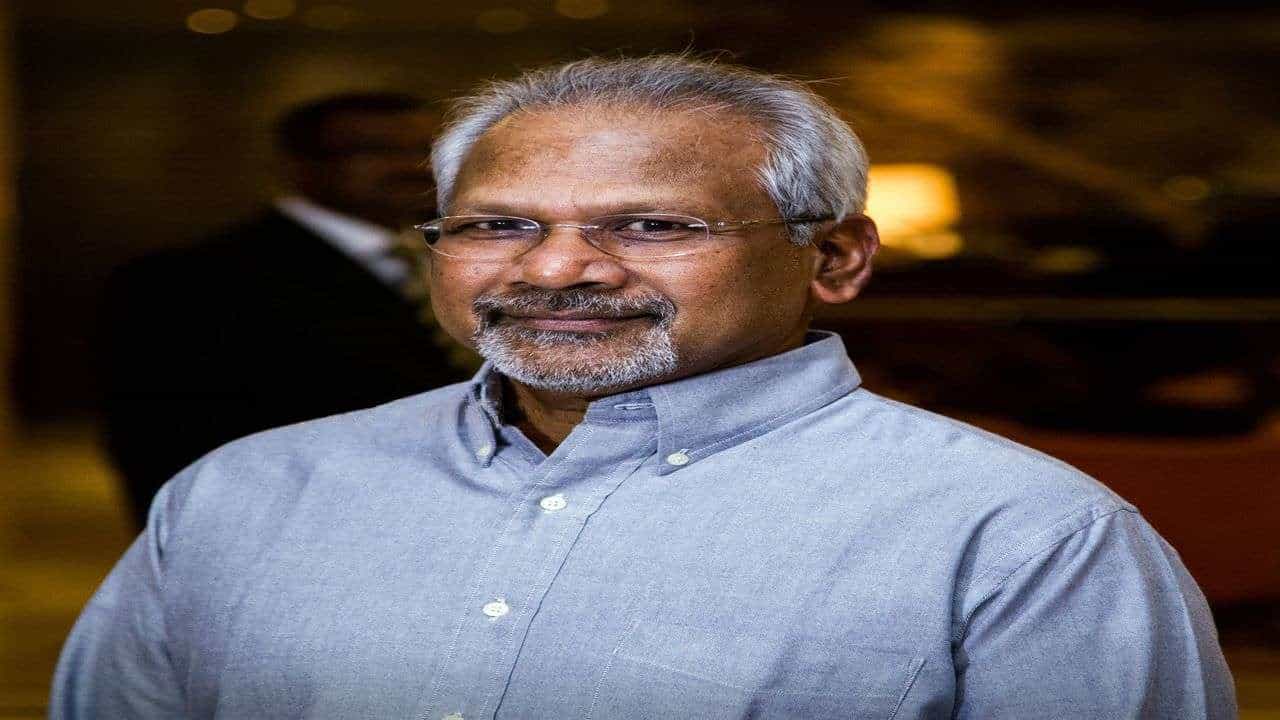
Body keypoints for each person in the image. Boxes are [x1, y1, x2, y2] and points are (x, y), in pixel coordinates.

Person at [56, 56, 1235, 718]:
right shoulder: (249, 490)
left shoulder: (1021, 537)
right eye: (499, 224)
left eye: (651, 224)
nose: (554, 269)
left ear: (833, 257)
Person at [100, 93, 475, 527]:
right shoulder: (189, 281)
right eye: (376, 150)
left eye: (427, 150)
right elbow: (162, 443)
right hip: (311, 529)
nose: (413, 166)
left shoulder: (471, 257)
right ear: (300, 166)